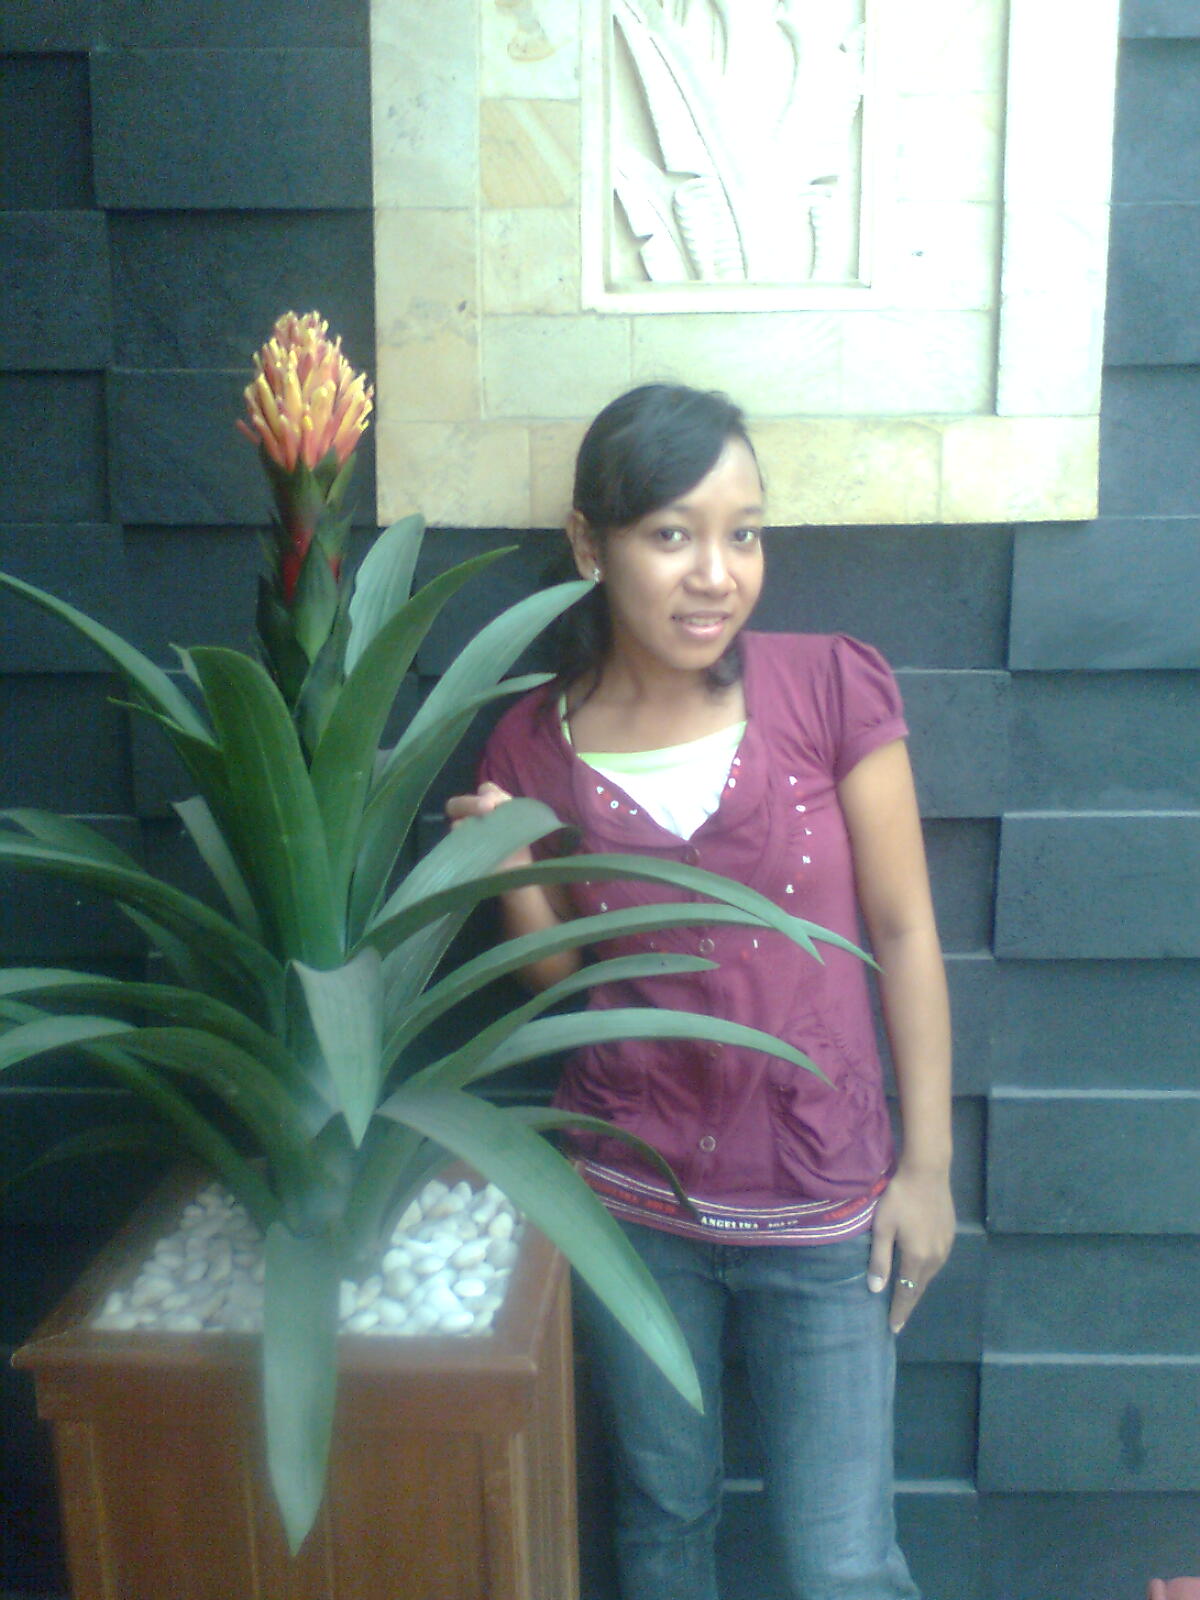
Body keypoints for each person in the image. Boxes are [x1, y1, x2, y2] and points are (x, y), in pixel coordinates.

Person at [446, 383, 954, 1600]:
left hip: (824, 1213)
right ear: (591, 543)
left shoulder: (827, 687)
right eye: (673, 534)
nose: (716, 574)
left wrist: (929, 1170)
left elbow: (904, 928)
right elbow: (561, 979)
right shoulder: (533, 742)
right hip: (634, 1207)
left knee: (841, 1563)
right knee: (665, 1528)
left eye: (745, 533)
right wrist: (507, 872)